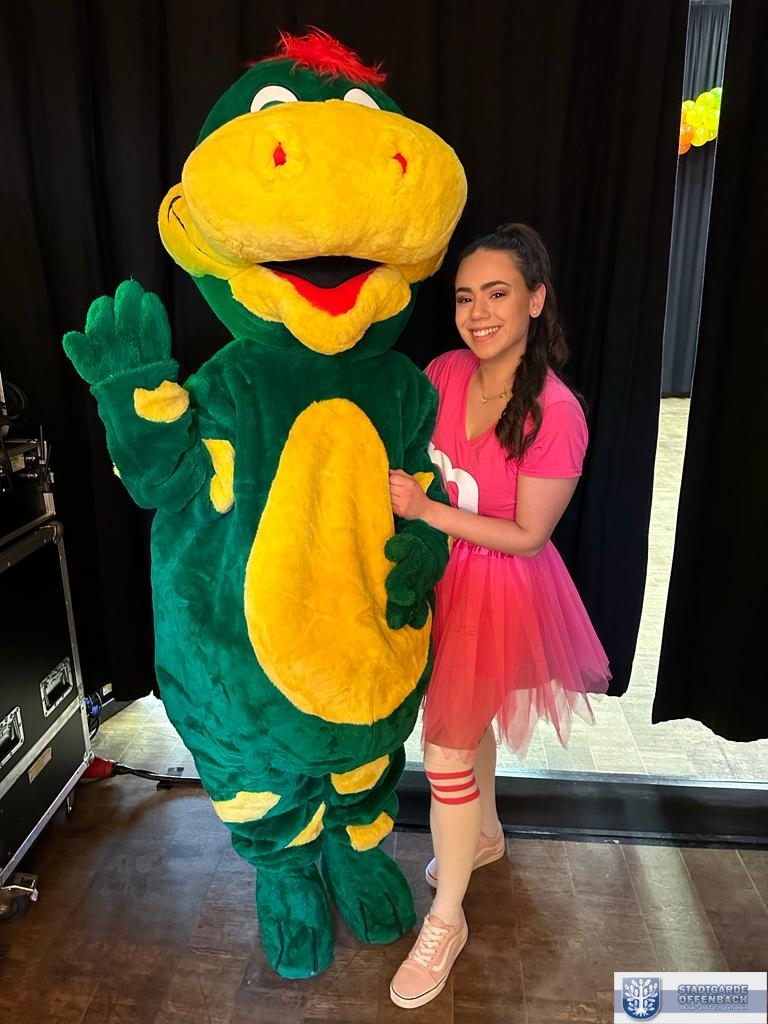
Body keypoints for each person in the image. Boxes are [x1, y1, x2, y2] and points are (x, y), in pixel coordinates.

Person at [387, 222, 611, 1009]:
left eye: (497, 293)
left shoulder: (556, 411)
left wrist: (425, 511)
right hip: (439, 578)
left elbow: (527, 535)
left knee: (446, 746)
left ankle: (445, 921)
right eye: (464, 297)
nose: (477, 312)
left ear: (535, 300)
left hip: (500, 589)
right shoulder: (444, 371)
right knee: (466, 720)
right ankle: (481, 836)